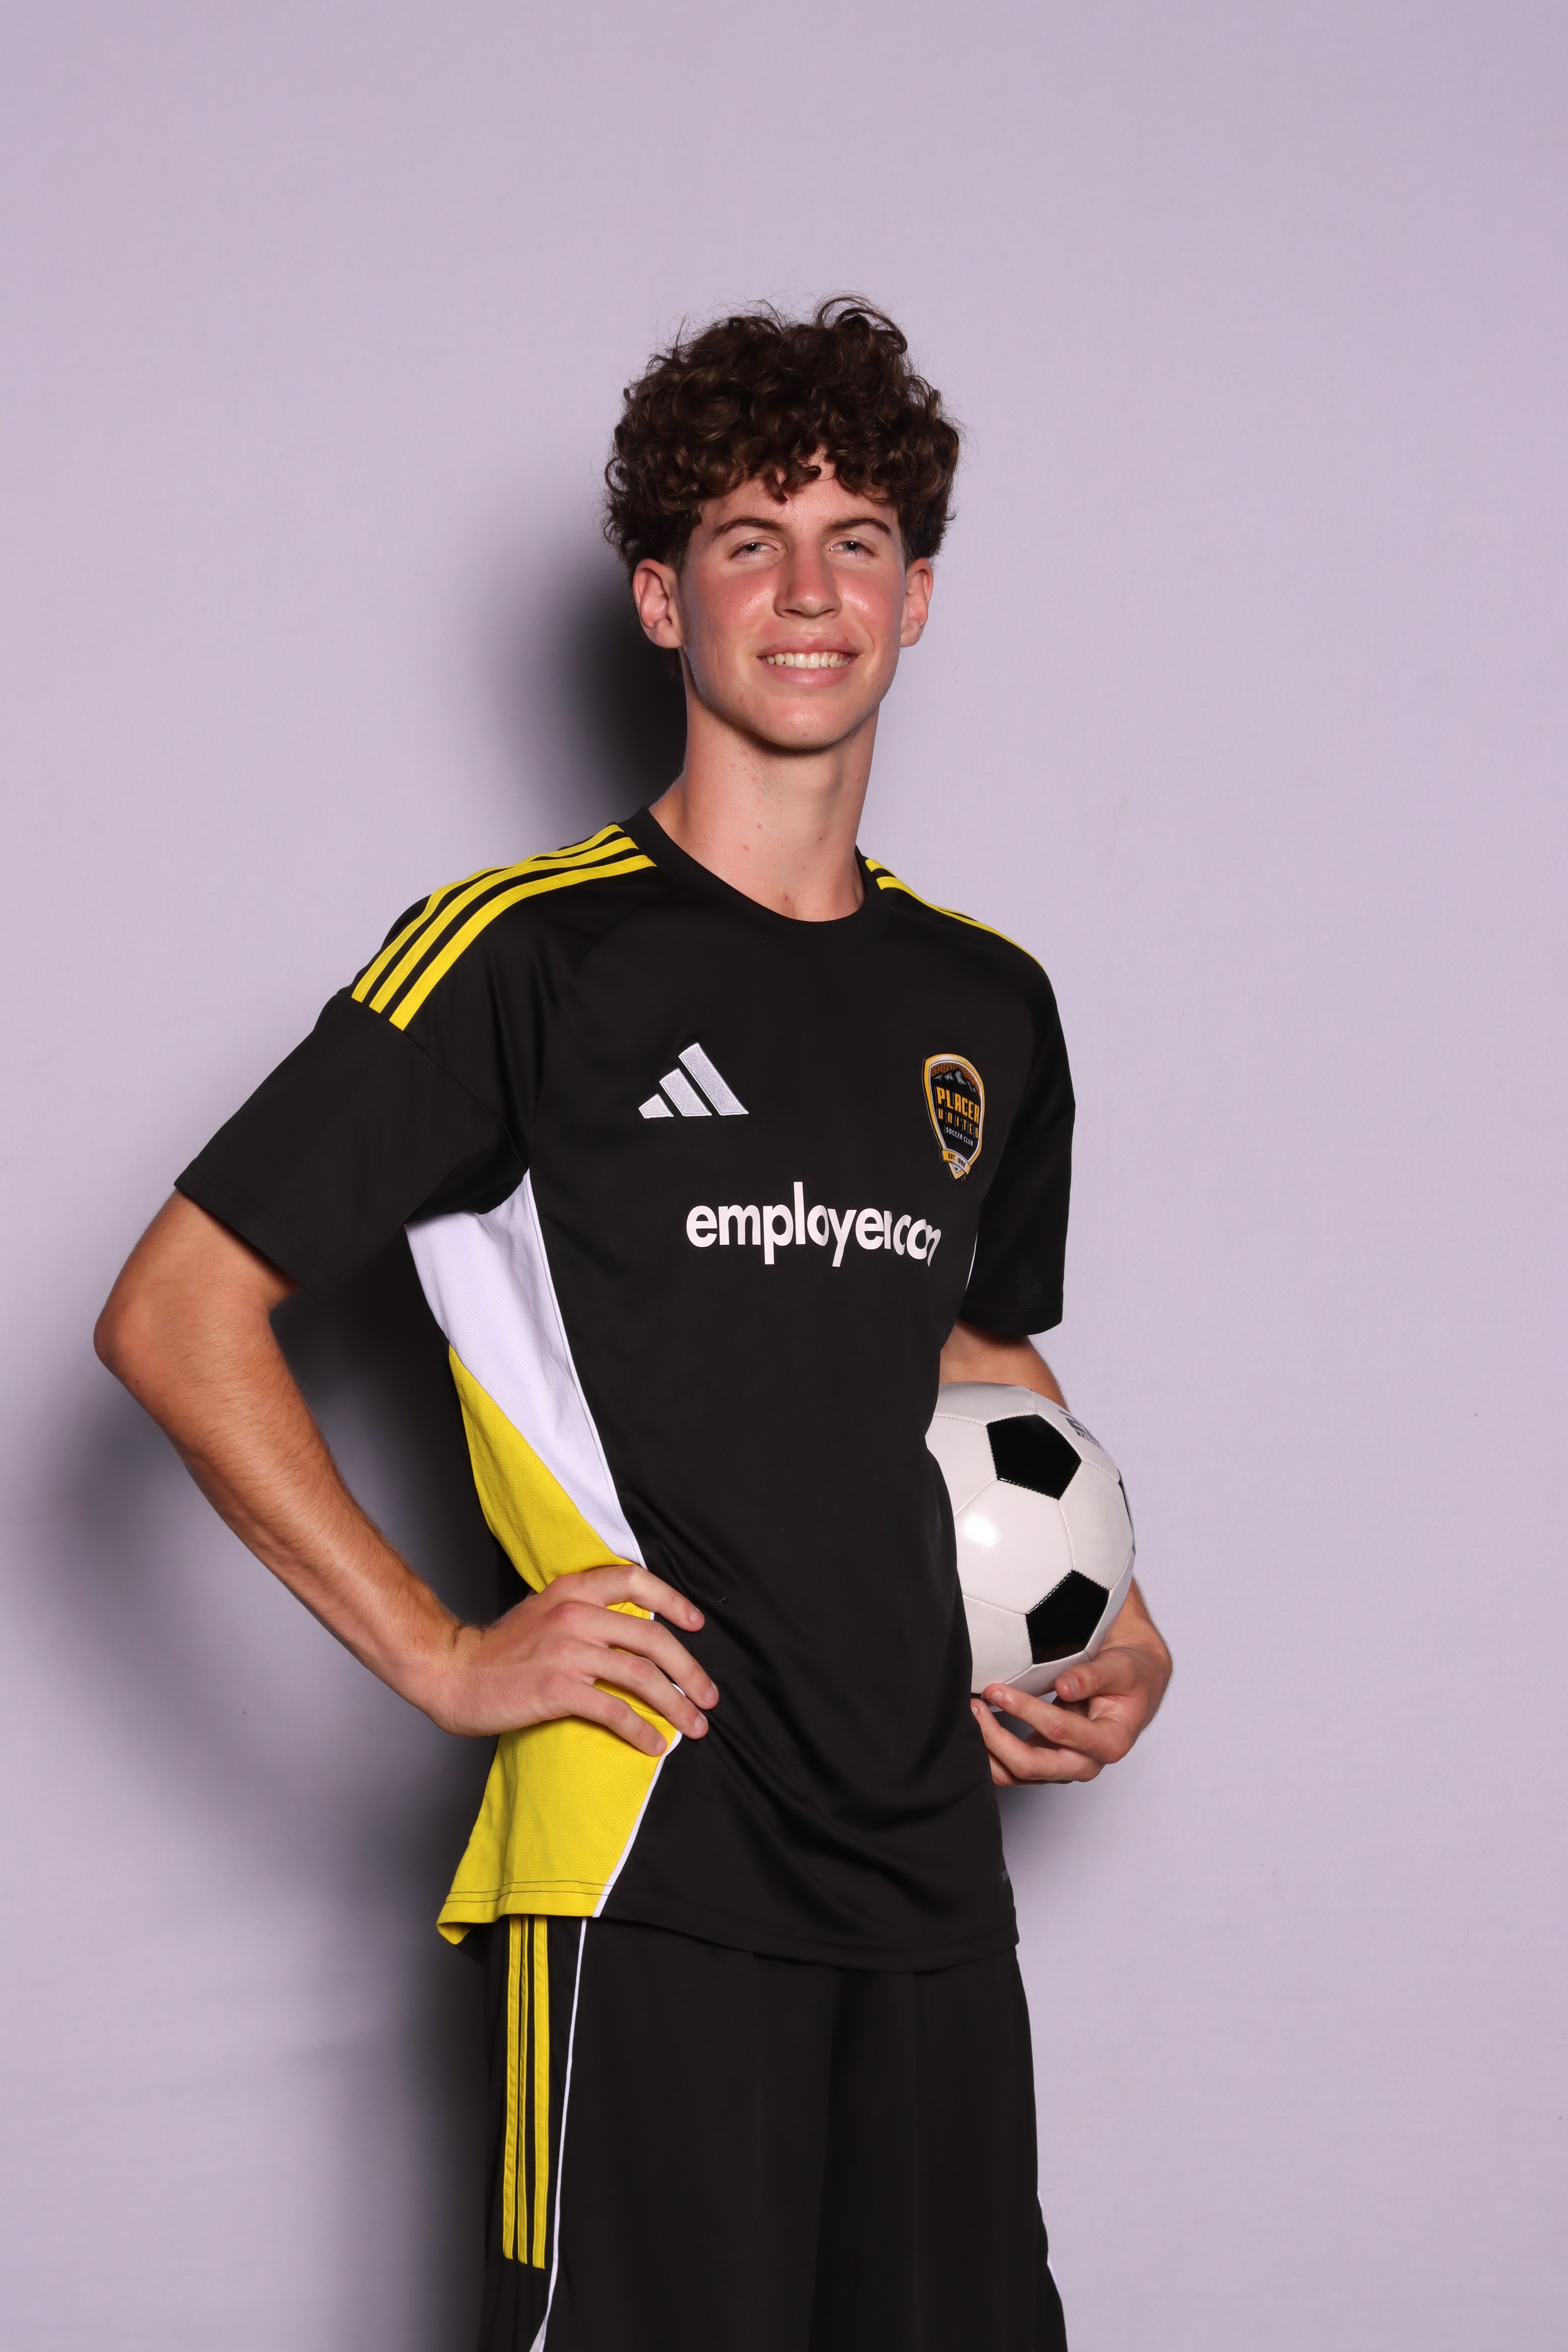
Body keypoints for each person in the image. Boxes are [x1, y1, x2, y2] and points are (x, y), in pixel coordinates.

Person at [96, 298, 1172, 2352]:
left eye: (856, 540)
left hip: (929, 1874)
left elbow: (967, 1358)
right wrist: (436, 1651)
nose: (808, 590)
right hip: (650, 1859)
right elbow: (175, 1312)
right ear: (662, 599)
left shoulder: (987, 1004)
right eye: (750, 539)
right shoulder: (525, 956)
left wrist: (1107, 1610)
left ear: (917, 598)